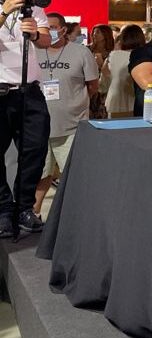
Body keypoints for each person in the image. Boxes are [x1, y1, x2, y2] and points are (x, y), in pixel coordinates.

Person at [0, 0, 51, 236]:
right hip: (0, 90)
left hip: (29, 91)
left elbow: (46, 39)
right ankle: (3, 210)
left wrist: (34, 34)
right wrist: (6, 11)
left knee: (35, 151)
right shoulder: (8, 6)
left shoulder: (32, 6)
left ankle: (23, 208)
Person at [34, 12, 97, 216]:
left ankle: (74, 216)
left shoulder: (81, 52)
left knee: (73, 176)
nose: (48, 32)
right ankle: (33, 213)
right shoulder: (33, 52)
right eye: (44, 28)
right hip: (40, 127)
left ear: (63, 29)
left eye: (52, 27)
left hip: (72, 126)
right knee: (39, 174)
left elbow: (92, 86)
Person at [105, 24, 145, 117]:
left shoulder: (113, 55)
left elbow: (104, 81)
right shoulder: (144, 56)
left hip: (115, 102)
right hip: (137, 103)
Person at [89, 24, 114, 119]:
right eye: (94, 32)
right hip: (90, 85)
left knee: (103, 113)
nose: (95, 34)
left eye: (98, 32)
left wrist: (101, 64)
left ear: (106, 34)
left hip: (104, 86)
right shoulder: (86, 50)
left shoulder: (111, 52)